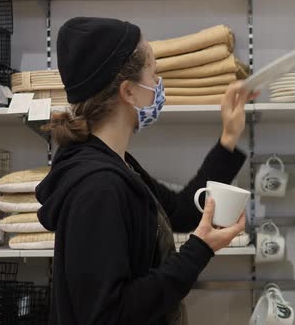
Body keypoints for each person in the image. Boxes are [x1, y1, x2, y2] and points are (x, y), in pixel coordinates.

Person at [35, 17, 257, 325]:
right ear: (128, 92)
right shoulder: (99, 188)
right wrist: (200, 250)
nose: (158, 86)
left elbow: (182, 211)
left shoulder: (118, 165)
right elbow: (108, 314)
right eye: (154, 75)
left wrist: (229, 136)